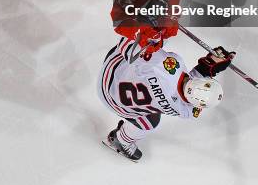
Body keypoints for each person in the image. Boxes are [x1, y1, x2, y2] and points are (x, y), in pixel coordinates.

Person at [99, 37, 235, 161]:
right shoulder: (187, 111)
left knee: (153, 41)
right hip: (118, 102)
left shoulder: (165, 67)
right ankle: (122, 139)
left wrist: (154, 29)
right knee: (151, 121)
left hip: (112, 73)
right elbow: (188, 92)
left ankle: (120, 140)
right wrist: (208, 67)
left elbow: (127, 45)